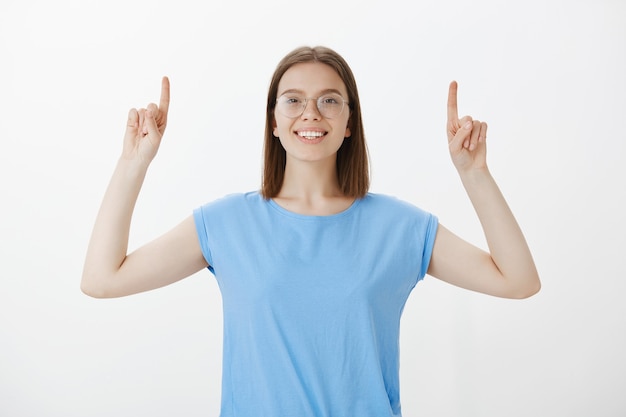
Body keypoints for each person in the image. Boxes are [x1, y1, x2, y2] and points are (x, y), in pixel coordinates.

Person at [81, 46, 540, 417]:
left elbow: (518, 281)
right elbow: (102, 280)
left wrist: (474, 172)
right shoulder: (225, 225)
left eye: (329, 100)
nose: (311, 113)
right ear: (274, 122)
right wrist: (133, 163)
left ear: (348, 123)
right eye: (294, 100)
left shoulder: (399, 228)